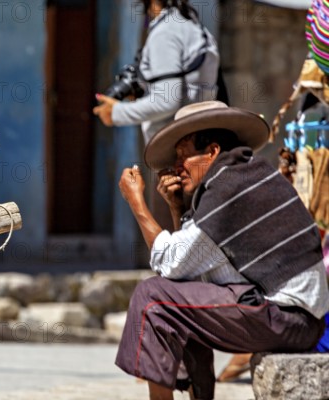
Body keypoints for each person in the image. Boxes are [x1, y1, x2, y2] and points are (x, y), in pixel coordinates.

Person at [115, 101, 329, 400]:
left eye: (184, 155)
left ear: (212, 151)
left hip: (289, 319)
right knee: (178, 299)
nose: (177, 167)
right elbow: (189, 270)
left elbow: (172, 263)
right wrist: (177, 208)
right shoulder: (238, 175)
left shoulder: (229, 185)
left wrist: (137, 203)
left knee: (152, 298)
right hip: (295, 319)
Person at [93, 0, 220, 143]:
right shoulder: (194, 27)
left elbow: (166, 101)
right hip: (197, 140)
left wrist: (116, 112)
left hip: (175, 150)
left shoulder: (166, 32)